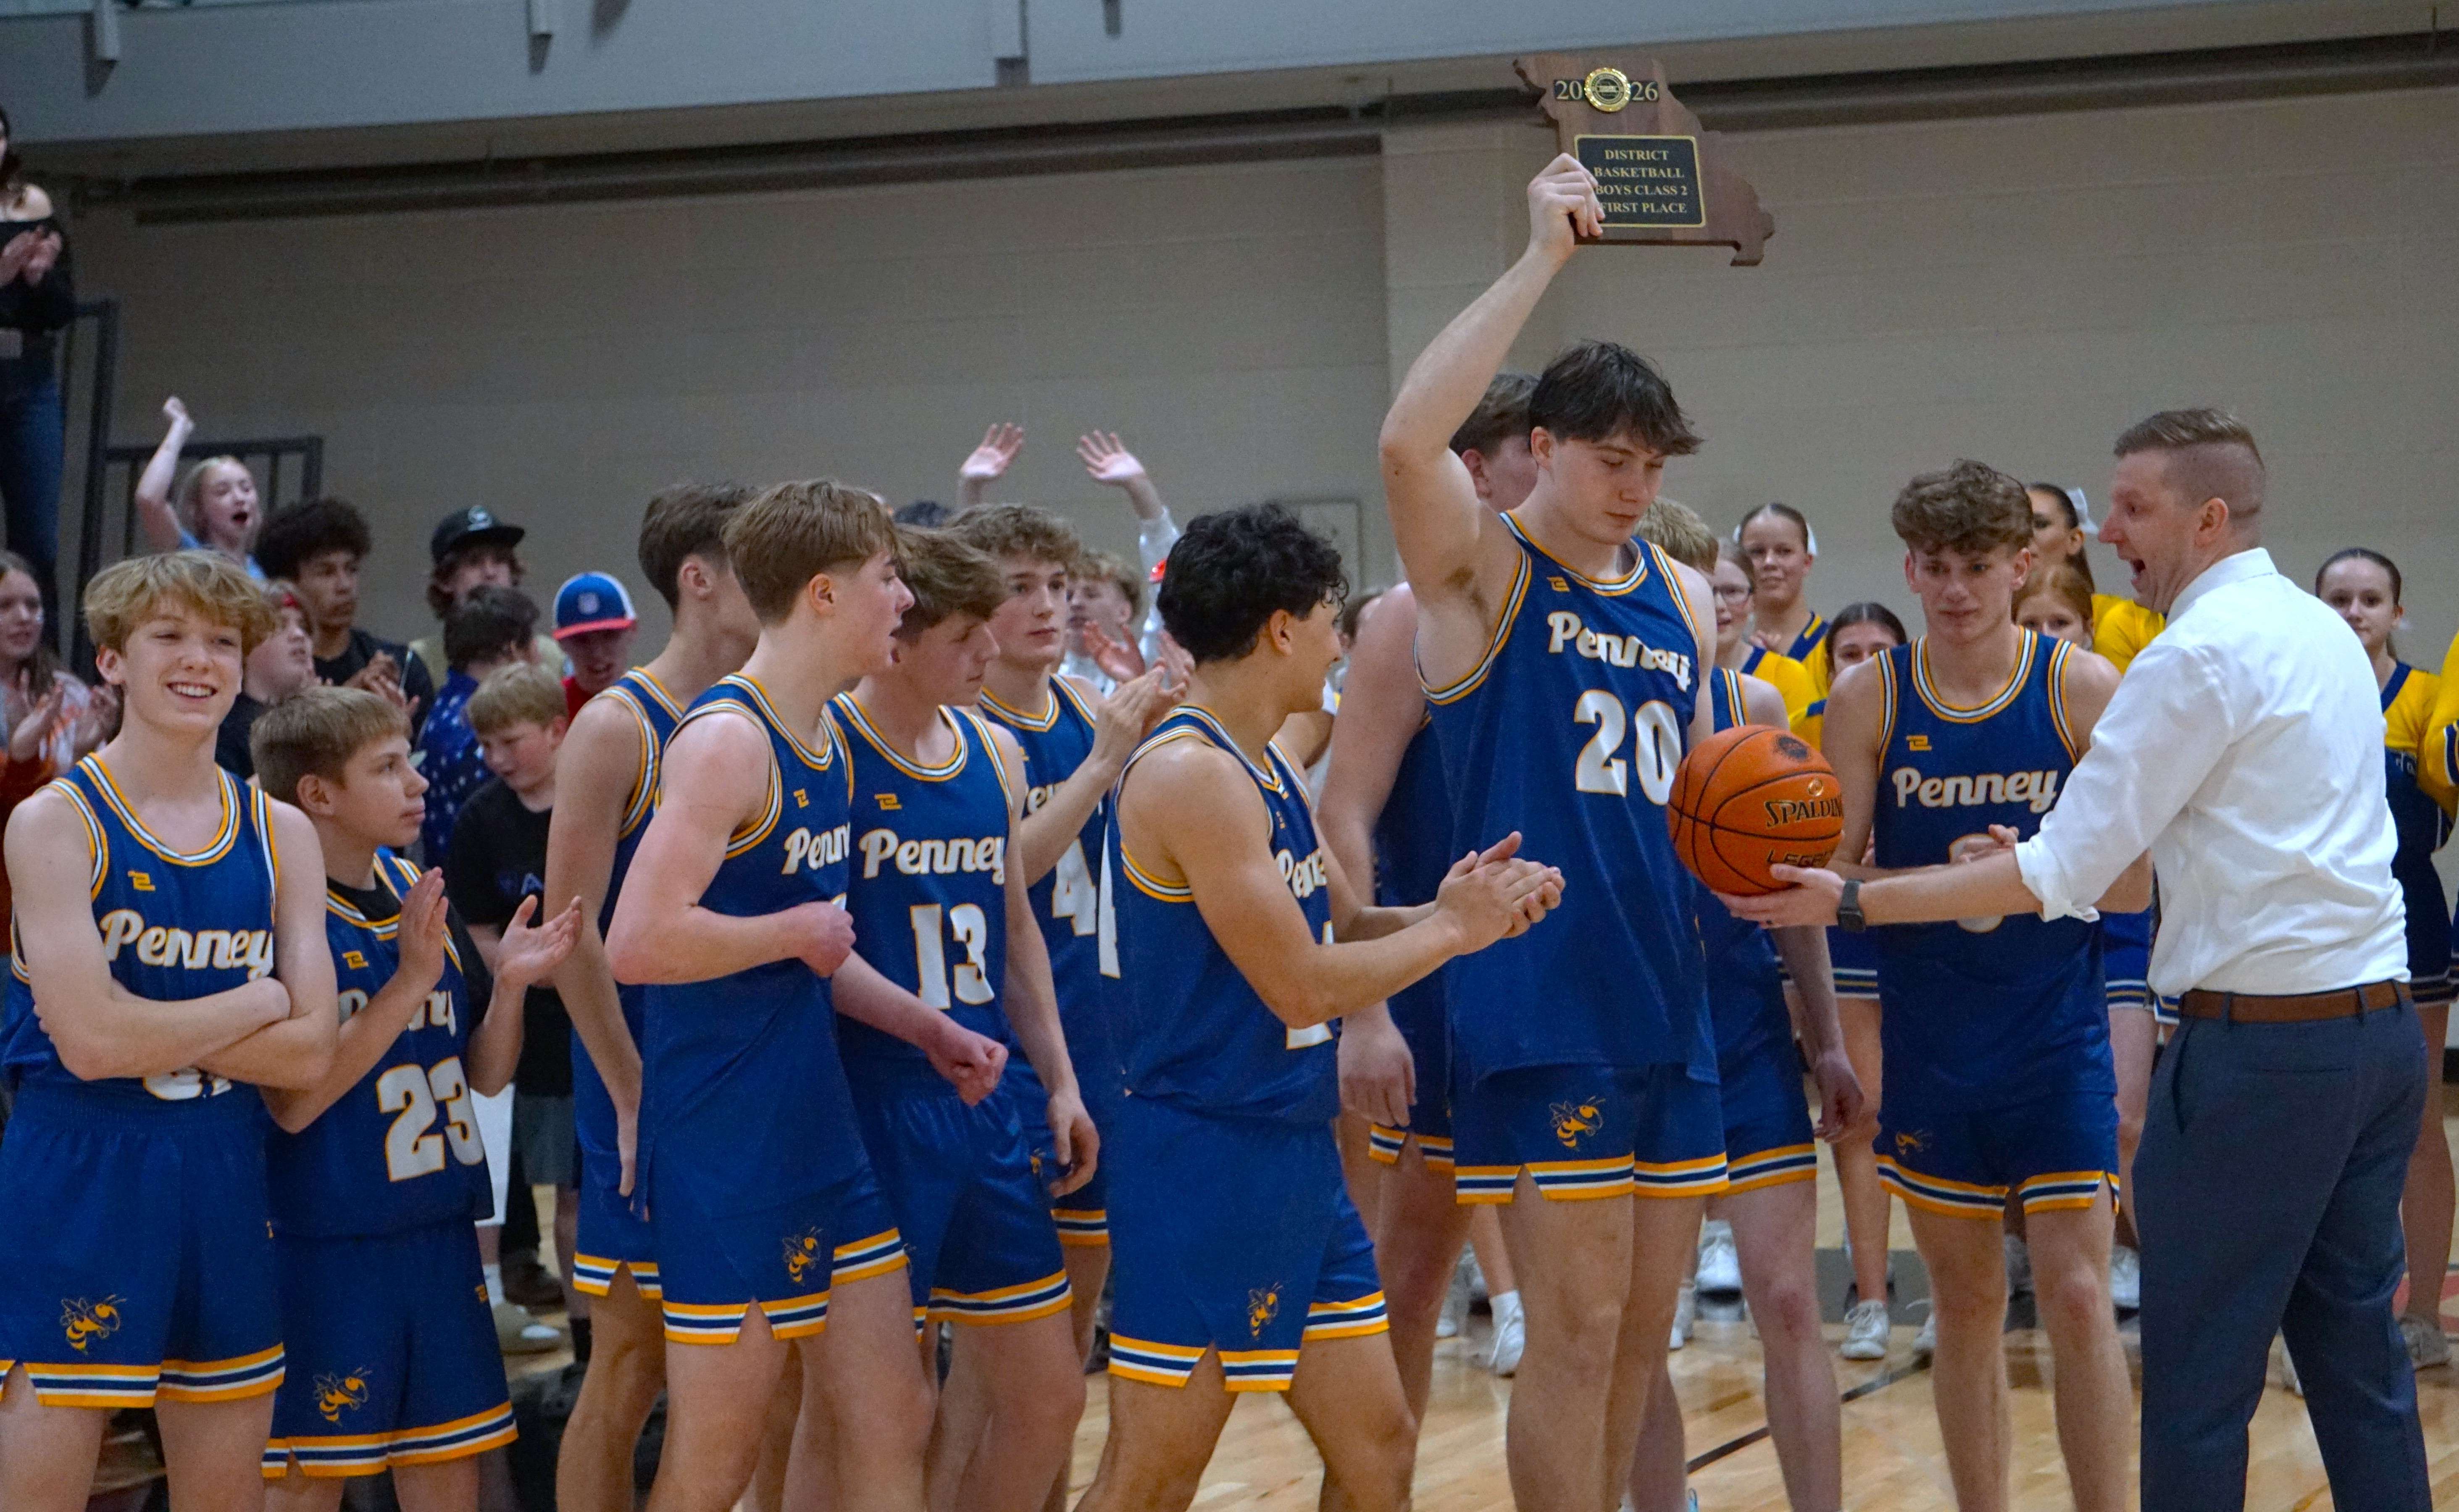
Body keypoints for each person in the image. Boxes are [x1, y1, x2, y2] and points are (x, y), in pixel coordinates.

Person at [1727, 410, 2433, 1512]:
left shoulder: (2153, 663)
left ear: (2205, 516)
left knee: (2185, 1368)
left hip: (2199, 1044)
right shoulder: (2315, 630)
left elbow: (2087, 878)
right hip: (2365, 1033)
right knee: (2355, 1364)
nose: (2104, 532)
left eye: (2132, 507)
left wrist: (1868, 892)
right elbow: (2101, 870)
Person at [1077, 503, 1560, 1512]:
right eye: (1332, 617)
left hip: (1293, 1157)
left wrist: (1461, 906)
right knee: (1151, 1477)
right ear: (1280, 630)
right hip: (1202, 1161)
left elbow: (1347, 924)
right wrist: (1452, 936)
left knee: (1379, 1448)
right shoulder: (1191, 774)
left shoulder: (1268, 761)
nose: (1343, 639)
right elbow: (1298, 982)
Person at [1377, 156, 1723, 1512]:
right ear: (1544, 447)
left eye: (1652, 465)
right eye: (1610, 459)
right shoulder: (1481, 572)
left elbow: (1697, 796)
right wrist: (1540, 259)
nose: (1634, 485)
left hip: (1666, 993)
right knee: (1570, 1336)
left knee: (1644, 1335)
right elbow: (1407, 441)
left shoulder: (1684, 598)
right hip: (1538, 998)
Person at [604, 481, 1000, 1512]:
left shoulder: (823, 734)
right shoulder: (726, 739)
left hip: (816, 1127)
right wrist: (788, 932)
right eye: (887, 578)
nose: (903, 599)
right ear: (823, 594)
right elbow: (636, 942)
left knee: (894, 1412)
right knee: (716, 1459)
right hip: (728, 1145)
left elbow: (822, 955)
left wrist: (929, 1027)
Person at [0, 551, 337, 1512]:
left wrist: (144, 1024)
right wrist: (257, 1001)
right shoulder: (54, 823)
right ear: (111, 661)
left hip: (226, 1168)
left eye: (222, 642)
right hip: (80, 1168)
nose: (200, 661)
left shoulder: (282, 833)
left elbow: (310, 1060)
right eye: (169, 637)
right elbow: (91, 1047)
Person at [250, 686, 580, 1505]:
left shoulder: (410, 884)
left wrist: (507, 984)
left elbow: (485, 1075)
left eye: (411, 761)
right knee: (309, 1480)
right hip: (328, 1240)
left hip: (437, 1232)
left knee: (447, 1473)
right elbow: (292, 1102)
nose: (419, 782)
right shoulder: (280, 916)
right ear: (318, 794)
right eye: (388, 767)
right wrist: (407, 982)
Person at [829, 529, 1098, 1512]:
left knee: (1049, 1397)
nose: (990, 652)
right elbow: (810, 956)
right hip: (872, 1106)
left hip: (986, 1107)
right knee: (870, 1418)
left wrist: (1060, 1083)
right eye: (965, 636)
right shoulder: (831, 755)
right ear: (898, 639)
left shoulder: (992, 749)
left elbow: (1016, 929)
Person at [1624, 510, 1863, 1512]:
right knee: (1642, 1323)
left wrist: (1832, 1041)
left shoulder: (1753, 700)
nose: (1715, 604)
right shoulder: (1595, 703)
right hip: (1637, 1030)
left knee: (1787, 1298)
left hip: (1746, 1025)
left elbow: (1796, 895)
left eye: (1723, 589)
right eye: (1693, 587)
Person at [1318, 371, 1537, 1415]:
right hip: (1446, 980)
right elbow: (1342, 814)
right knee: (1410, 1274)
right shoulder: (1407, 615)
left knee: (1607, 1298)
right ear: (1478, 469)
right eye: (1537, 453)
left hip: (1572, 980)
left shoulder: (1603, 602)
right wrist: (1364, 1007)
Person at [545, 482, 763, 1512]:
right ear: (699, 578)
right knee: (631, 1365)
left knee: (770, 1369)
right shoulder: (618, 729)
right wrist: (630, 1089)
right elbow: (570, 930)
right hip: (646, 1084)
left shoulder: (778, 713)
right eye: (757, 561)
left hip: (754, 1082)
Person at [952, 505, 1175, 1421]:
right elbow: (1012, 872)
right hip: (1007, 1047)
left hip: (1105, 1040)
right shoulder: (966, 729)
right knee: (1001, 1365)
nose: (1046, 604)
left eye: (1054, 584)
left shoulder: (1091, 705)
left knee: (1072, 1347)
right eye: (1018, 588)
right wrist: (1104, 762)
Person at [2314, 546, 2453, 1370]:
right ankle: (2331, 1313)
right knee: (2324, 1124)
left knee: (2414, 1126)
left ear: (2397, 611)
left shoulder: (2430, 697)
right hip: (2317, 929)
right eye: (2338, 597)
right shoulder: (2293, 696)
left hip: (2410, 921)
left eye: (2370, 598)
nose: (2355, 611)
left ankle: (2425, 1315)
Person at [443, 663, 586, 1351]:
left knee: (596, 1186)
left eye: (512, 741)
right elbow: (478, 935)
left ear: (559, 730)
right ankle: (554, 1326)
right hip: (527, 1025)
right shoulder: (479, 819)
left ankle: (607, 1330)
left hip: (605, 1013)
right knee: (536, 1180)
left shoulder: (597, 803)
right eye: (487, 745)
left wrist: (586, 971)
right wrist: (540, 971)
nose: (498, 758)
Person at [1796, 600, 1912, 1362]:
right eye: (1848, 650)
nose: (1862, 660)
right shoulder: (1806, 736)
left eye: (1879, 647)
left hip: (1927, 928)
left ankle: (1944, 1284)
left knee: (1937, 1112)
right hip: (1846, 928)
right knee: (1862, 1111)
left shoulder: (1934, 725)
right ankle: (1870, 1295)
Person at [254, 496, 434, 732]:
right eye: (326, 572)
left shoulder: (402, 665)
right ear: (287, 583)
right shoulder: (276, 671)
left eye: (351, 570)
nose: (345, 585)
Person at [0, 548, 109, 915]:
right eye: (5, 606)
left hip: (55, 885)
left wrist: (86, 752)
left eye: (33, 605)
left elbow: (95, 806)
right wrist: (20, 756)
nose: (24, 617)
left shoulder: (67, 691)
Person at [0, 109, 72, 611]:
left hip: (30, 377)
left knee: (39, 543)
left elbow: (64, 308)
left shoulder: (34, 208)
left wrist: (39, 278)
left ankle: (44, 667)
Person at [417, 585, 541, 861]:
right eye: (533, 643)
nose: (539, 656)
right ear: (513, 651)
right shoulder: (488, 730)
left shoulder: (439, 710)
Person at [409, 508, 562, 689]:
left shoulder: (549, 656)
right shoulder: (419, 659)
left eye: (499, 560)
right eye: (474, 562)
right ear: (445, 580)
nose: (490, 573)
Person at [2025, 482, 2163, 673]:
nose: (2022, 535)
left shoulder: (2129, 618)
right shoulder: (1983, 622)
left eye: (2040, 525)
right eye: (2011, 525)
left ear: (2075, 540)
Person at [1694, 527, 1815, 729]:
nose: (1719, 606)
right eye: (1705, 591)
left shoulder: (1788, 675)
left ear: (1753, 600)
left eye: (1732, 592)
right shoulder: (1669, 671)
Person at [134, 398, 264, 579]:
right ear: (198, 511)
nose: (239, 498)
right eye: (222, 491)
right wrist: (180, 428)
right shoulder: (190, 556)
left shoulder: (265, 573)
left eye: (246, 488)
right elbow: (149, 499)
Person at [214, 580, 317, 781]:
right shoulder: (222, 729)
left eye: (304, 627)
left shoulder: (323, 715)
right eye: (280, 625)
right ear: (245, 645)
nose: (299, 635)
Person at [1739, 503, 1830, 695]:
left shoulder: (1836, 647)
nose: (1770, 562)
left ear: (1807, 562)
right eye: (1757, 552)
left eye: (1784, 551)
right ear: (1741, 564)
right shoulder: (1728, 652)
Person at [554, 571, 641, 719]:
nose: (597, 653)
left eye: (609, 636)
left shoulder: (658, 700)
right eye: (581, 640)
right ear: (561, 643)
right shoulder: (549, 709)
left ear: (633, 630)